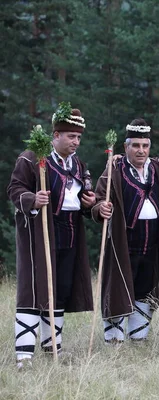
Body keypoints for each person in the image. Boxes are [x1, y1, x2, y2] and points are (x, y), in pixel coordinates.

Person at [8, 104, 95, 368]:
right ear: (56, 135)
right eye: (71, 136)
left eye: (78, 137)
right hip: (39, 231)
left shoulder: (78, 164)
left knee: (59, 289)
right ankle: (24, 355)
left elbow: (83, 196)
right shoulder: (33, 157)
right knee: (34, 289)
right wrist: (34, 199)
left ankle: (52, 348)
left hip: (70, 231)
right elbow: (14, 189)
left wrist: (89, 201)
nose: (75, 142)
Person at [91, 119, 159, 342]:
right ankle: (114, 341)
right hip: (123, 242)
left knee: (145, 288)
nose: (141, 150)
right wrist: (100, 208)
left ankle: (138, 339)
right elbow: (98, 199)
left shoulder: (158, 167)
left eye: (145, 145)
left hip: (152, 242)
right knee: (118, 288)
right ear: (126, 147)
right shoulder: (114, 169)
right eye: (136, 146)